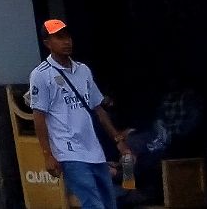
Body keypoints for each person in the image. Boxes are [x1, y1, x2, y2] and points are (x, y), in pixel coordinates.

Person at [27, 19, 131, 209]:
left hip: (94, 150)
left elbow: (98, 108)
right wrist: (47, 155)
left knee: (109, 203)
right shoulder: (41, 75)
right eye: (59, 37)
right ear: (47, 43)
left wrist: (118, 140)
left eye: (67, 36)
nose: (66, 41)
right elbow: (39, 116)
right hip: (68, 151)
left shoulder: (83, 70)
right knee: (93, 203)